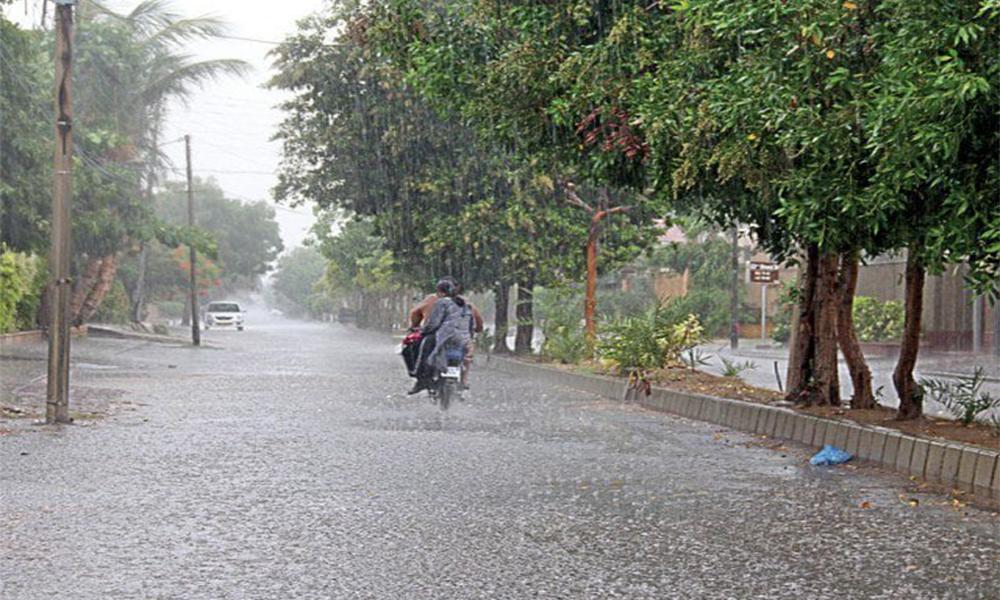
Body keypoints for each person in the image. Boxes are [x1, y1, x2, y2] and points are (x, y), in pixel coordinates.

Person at [407, 278, 482, 393]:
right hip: (464, 338)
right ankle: (464, 380)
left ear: (440, 292)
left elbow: (434, 323)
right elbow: (473, 322)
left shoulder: (440, 302)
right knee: (467, 355)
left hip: (444, 337)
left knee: (424, 347)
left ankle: (421, 379)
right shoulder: (466, 304)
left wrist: (422, 331)